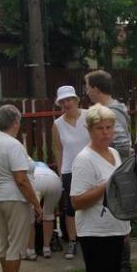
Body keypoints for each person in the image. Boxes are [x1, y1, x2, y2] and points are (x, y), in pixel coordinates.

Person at [70, 105, 131, 272]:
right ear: (90, 130)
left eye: (110, 127)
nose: (106, 133)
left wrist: (125, 226)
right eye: (100, 128)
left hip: (115, 227)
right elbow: (76, 201)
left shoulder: (114, 154)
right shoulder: (84, 160)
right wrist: (105, 186)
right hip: (95, 231)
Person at [0, 104, 42, 272]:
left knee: (4, 243)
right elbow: (21, 180)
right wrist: (35, 203)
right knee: (16, 245)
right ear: (16, 122)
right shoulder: (13, 145)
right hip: (15, 199)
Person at [85, 70, 133, 272]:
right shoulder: (113, 108)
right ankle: (118, 267)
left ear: (96, 89)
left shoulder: (111, 111)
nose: (86, 92)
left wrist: (113, 165)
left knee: (119, 220)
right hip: (113, 171)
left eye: (87, 87)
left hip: (116, 173)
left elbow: (123, 143)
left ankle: (123, 269)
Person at [52, 85, 89, 260]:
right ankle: (73, 241)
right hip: (70, 170)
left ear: (76, 100)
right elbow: (58, 150)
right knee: (71, 207)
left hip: (90, 168)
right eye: (63, 101)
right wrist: (61, 172)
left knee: (93, 202)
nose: (66, 103)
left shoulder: (89, 116)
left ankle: (91, 237)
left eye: (69, 99)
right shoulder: (57, 124)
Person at [24, 159, 63, 260]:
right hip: (55, 181)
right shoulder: (44, 165)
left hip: (37, 181)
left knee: (30, 218)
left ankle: (31, 251)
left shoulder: (27, 164)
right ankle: (47, 249)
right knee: (49, 215)